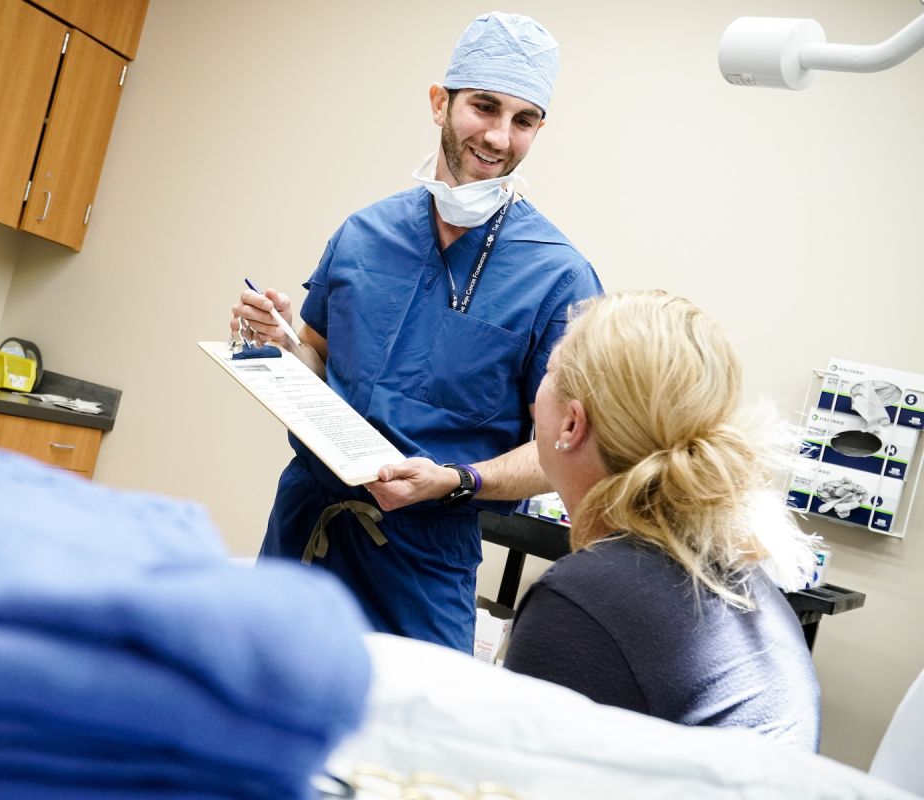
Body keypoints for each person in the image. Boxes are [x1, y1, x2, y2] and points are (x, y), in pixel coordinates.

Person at [231, 12, 602, 651]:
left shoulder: (559, 278)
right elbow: (321, 366)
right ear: (441, 103)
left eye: (524, 119)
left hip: (425, 562)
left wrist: (457, 481)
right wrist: (279, 343)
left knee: (405, 750)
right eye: (484, 106)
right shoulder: (363, 234)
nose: (498, 136)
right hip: (303, 528)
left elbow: (564, 451)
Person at [502, 290, 822, 751]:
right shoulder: (739, 577)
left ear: (572, 425)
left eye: (549, 371)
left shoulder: (584, 598)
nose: (540, 382)